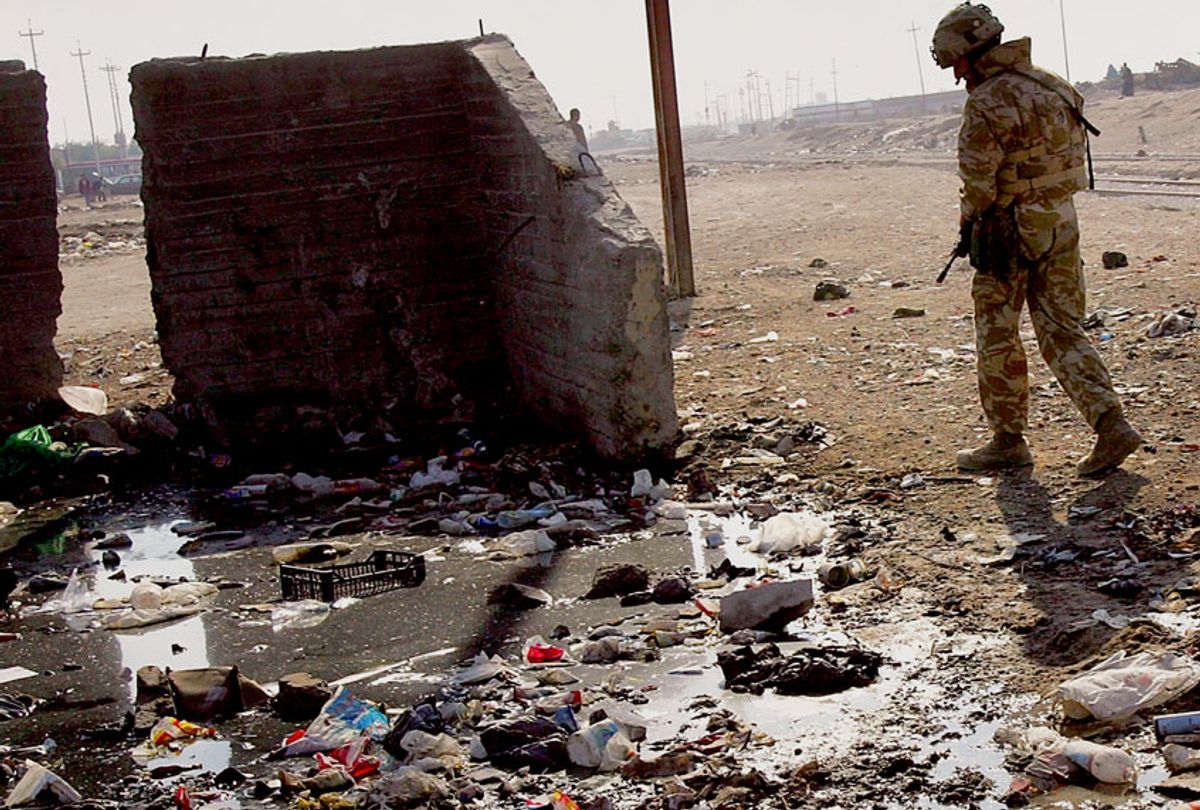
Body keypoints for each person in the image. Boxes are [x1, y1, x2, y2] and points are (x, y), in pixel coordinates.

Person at [930, 2, 1141, 477]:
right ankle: (1111, 425)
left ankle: (1008, 442)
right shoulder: (1053, 84)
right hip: (1061, 222)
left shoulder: (987, 102)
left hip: (1009, 232)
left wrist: (969, 226)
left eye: (957, 63)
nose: (957, 75)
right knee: (1063, 329)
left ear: (972, 52)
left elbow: (979, 186)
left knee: (997, 334)